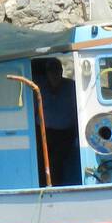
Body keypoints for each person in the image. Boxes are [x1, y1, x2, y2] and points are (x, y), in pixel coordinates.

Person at [32, 58, 79, 186]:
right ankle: (42, 186)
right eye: (50, 71)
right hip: (43, 132)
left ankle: (56, 187)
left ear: (61, 71)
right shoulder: (38, 87)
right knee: (40, 160)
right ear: (46, 73)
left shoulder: (71, 86)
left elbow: (78, 109)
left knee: (56, 162)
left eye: (56, 70)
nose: (54, 74)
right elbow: (33, 109)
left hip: (65, 133)